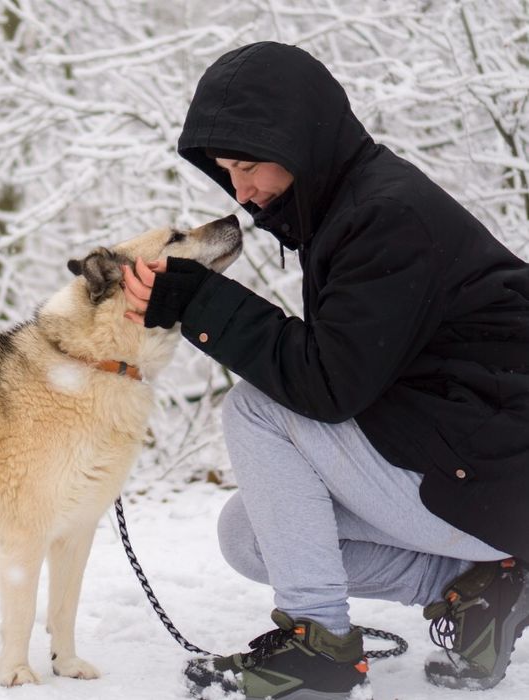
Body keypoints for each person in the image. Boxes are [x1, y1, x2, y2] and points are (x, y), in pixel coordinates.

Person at [122, 41, 529, 700]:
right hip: (474, 468)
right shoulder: (352, 211)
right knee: (249, 536)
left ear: (300, 142)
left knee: (257, 409)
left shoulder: (384, 217)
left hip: (495, 473)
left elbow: (327, 386)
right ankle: (473, 589)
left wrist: (195, 301)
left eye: (249, 165)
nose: (240, 191)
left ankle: (320, 650)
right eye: (228, 171)